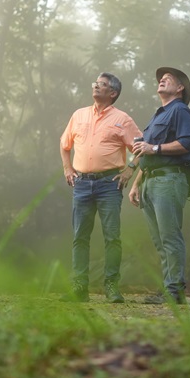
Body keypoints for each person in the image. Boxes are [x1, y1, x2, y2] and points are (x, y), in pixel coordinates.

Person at [59, 72, 142, 303]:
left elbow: (141, 148)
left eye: (102, 84)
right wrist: (67, 169)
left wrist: (129, 169)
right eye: (95, 83)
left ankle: (112, 287)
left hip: (109, 184)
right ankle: (79, 288)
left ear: (113, 93)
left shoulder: (122, 119)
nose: (96, 86)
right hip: (81, 184)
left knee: (112, 237)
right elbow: (64, 144)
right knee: (79, 237)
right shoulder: (79, 115)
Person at [129, 67, 190, 304]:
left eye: (168, 79)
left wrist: (154, 148)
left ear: (180, 88)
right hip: (150, 180)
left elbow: (189, 142)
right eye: (160, 79)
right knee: (159, 241)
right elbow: (145, 153)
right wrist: (137, 183)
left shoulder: (180, 110)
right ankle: (169, 287)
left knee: (170, 236)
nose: (162, 79)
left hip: (169, 180)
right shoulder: (158, 115)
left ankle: (175, 290)